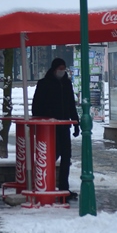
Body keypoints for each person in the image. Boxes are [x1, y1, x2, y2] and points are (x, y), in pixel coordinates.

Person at [31, 57, 80, 200]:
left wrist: (75, 123)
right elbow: (36, 106)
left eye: (64, 68)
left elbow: (71, 104)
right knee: (51, 156)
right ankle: (45, 184)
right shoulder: (44, 84)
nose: (62, 71)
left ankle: (64, 188)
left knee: (66, 157)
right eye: (60, 68)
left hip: (64, 126)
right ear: (54, 69)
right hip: (49, 128)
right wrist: (42, 121)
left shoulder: (67, 83)